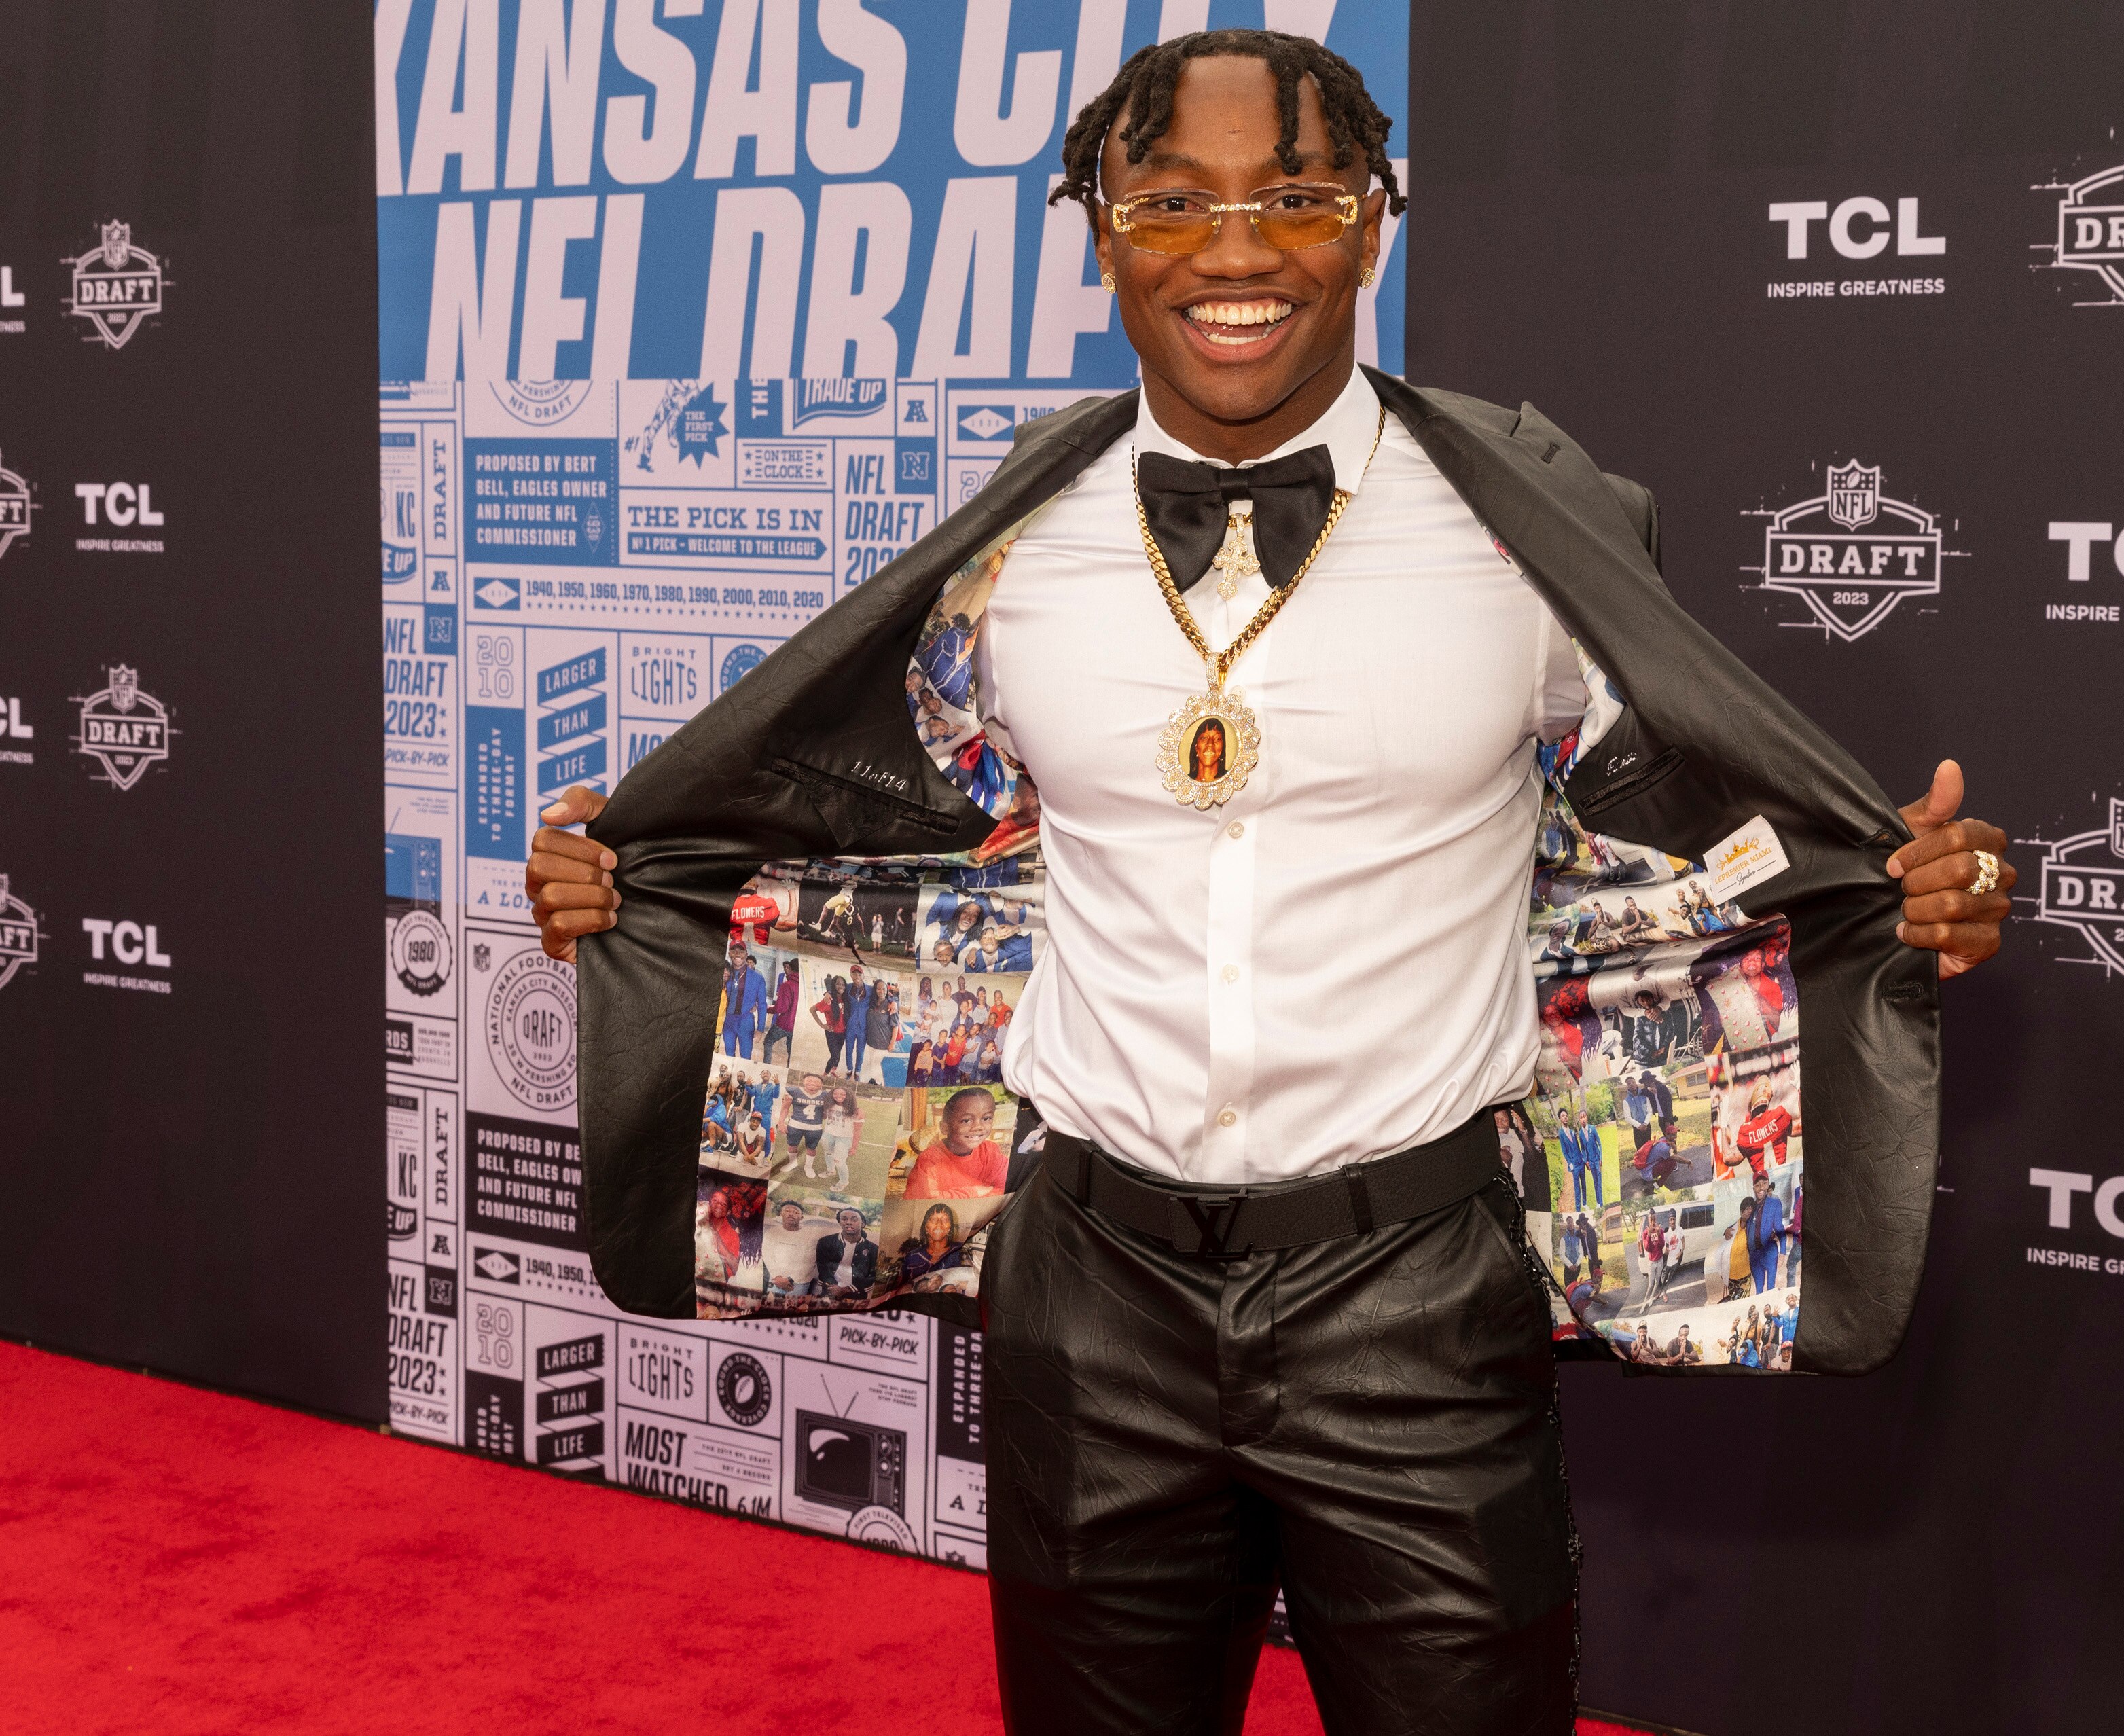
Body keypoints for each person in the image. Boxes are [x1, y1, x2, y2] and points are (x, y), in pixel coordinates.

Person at [528, 32, 2012, 1734]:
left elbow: (1692, 835)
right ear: (1102, 232)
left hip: (1417, 1298)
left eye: (1294, 195)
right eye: (1174, 202)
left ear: (1374, 222)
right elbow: (863, 833)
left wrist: (1896, 901)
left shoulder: (1536, 534)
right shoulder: (1012, 554)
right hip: (1087, 1296)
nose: (1235, 251)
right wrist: (641, 893)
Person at [903, 1087, 1008, 1199]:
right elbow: (923, 1200)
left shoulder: (990, 1151)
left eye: (986, 1118)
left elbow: (1006, 1186)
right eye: (966, 1121)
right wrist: (973, 1192)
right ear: (945, 1128)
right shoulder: (930, 1159)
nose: (979, 1127)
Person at [814, 1206, 877, 1299]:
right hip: (830, 1290)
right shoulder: (825, 1242)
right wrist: (833, 1287)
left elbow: (872, 1275)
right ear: (840, 1222)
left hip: (857, 1292)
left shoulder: (873, 1248)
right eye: (844, 1219)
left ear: (863, 1224)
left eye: (854, 1220)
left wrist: (847, 1289)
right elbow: (823, 1268)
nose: (848, 1222)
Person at [763, 1199, 819, 1298]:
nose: (791, 1214)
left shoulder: (810, 1236)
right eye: (787, 1211)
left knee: (792, 1310)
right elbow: (768, 1256)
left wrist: (790, 1280)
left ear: (801, 1217)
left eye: (796, 1212)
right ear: (781, 1214)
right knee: (771, 1307)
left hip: (799, 1283)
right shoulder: (772, 1232)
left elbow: (809, 1263)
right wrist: (778, 1277)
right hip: (776, 1281)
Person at [719, 941, 766, 1059]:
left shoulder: (758, 978)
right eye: (734, 951)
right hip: (729, 1022)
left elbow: (762, 1004)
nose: (738, 955)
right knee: (729, 1056)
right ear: (729, 953)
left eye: (741, 952)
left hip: (746, 1023)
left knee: (745, 1057)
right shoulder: (724, 974)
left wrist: (760, 1029)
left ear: (746, 954)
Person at [902, 1201, 969, 1282]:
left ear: (950, 1228)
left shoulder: (961, 1250)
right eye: (933, 1219)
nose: (939, 1224)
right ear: (926, 1227)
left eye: (945, 1219)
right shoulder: (912, 1257)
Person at [1555, 1106, 1600, 1211]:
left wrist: (1584, 1159)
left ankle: (1585, 1204)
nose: (1565, 1117)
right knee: (1577, 1188)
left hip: (1581, 1162)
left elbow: (1579, 1147)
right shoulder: (1561, 1133)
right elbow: (1564, 1151)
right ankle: (1578, 1209)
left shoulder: (1572, 1132)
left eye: (1566, 1115)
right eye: (1563, 1116)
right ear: (1560, 1119)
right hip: (1574, 1165)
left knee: (1584, 1185)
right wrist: (1570, 1163)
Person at [1747, 1172, 1785, 1295]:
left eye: (1764, 1183)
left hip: (1770, 1254)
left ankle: (1770, 1314)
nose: (1761, 1187)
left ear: (1768, 1184)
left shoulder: (1774, 1203)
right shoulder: (1750, 1206)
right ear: (1753, 1188)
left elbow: (1780, 1228)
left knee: (1770, 1290)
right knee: (1759, 1291)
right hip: (1755, 1257)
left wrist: (1783, 1252)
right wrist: (1728, 1230)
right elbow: (1741, 1222)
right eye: (1757, 1185)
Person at [819, 1087, 859, 1191]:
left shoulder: (856, 1111)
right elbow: (823, 1117)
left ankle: (844, 1182)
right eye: (836, 1094)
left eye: (843, 1094)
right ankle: (831, 1171)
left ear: (849, 1096)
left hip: (844, 1138)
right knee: (828, 1153)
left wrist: (854, 1147)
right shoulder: (829, 1105)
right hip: (828, 1134)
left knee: (839, 1161)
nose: (839, 1096)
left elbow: (858, 1130)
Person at [810, 977, 848, 1078]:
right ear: (834, 986)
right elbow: (812, 1009)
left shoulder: (845, 998)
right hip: (832, 1032)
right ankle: (825, 1075)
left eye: (843, 984)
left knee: (838, 1054)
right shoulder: (828, 1000)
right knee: (835, 1055)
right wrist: (822, 1025)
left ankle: (833, 1071)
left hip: (843, 1032)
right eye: (838, 984)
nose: (841, 986)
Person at [763, 959, 799, 1066]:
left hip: (784, 1025)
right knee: (791, 1052)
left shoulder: (787, 985)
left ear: (790, 968)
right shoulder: (803, 987)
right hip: (796, 1027)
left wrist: (768, 1009)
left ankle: (766, 1066)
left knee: (768, 1042)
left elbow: (781, 1008)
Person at [843, 964, 875, 1081]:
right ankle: (850, 1069)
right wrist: (826, 994)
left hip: (863, 1027)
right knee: (849, 1050)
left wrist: (893, 1003)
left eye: (859, 974)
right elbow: (834, 989)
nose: (857, 976)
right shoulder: (847, 988)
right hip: (850, 1026)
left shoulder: (871, 990)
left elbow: (886, 994)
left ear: (863, 976)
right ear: (851, 976)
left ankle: (857, 1071)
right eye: (854, 974)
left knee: (860, 1051)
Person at [1724, 1197, 1755, 1301]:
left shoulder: (1751, 1229)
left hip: (1745, 1276)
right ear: (1741, 1212)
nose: (1750, 1211)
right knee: (1735, 1303)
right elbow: (1723, 1251)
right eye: (1747, 1209)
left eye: (1751, 1209)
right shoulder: (1732, 1228)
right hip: (1731, 1277)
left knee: (1744, 1303)